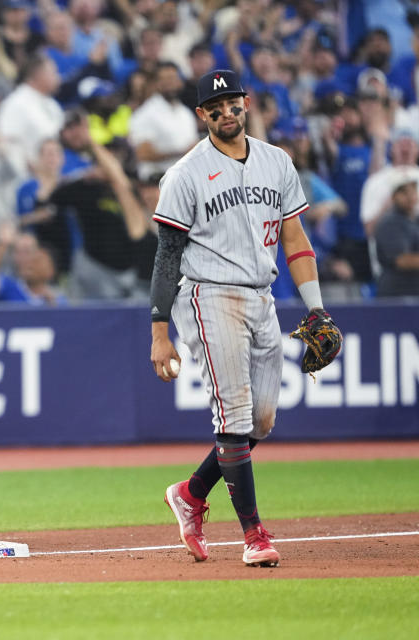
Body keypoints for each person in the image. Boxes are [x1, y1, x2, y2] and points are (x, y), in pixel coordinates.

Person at [150, 70, 335, 567]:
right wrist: (159, 331)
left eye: (233, 102)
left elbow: (294, 239)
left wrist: (316, 307)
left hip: (261, 295)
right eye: (216, 106)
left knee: (262, 419)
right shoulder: (185, 173)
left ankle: (190, 494)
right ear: (201, 115)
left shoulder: (277, 162)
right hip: (207, 293)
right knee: (232, 414)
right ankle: (254, 534)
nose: (226, 111)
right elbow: (167, 255)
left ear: (246, 104)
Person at [373, 177, 419, 297]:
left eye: (413, 191)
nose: (410, 196)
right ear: (394, 196)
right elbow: (402, 260)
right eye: (404, 192)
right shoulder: (390, 222)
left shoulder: (414, 219)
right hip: (396, 295)